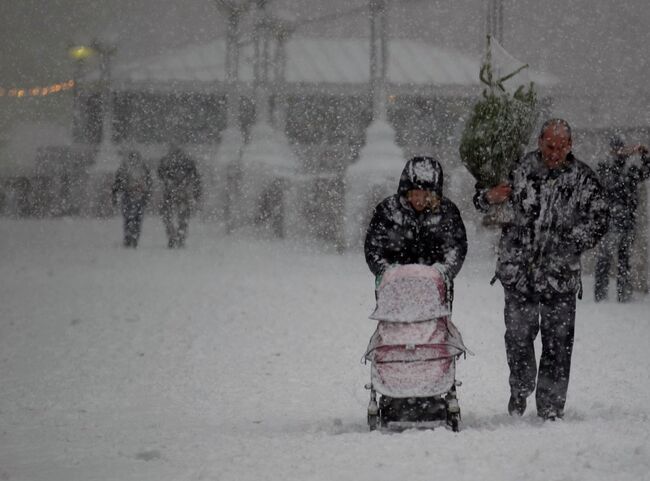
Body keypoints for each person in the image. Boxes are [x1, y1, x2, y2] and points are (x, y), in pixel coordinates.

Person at [473, 119, 608, 420]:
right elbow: (482, 200)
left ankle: (550, 407)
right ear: (539, 142)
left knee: (558, 344)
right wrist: (488, 197)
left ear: (570, 146)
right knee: (518, 339)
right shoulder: (517, 170)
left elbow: (600, 219)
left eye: (561, 147)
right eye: (549, 145)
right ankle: (520, 388)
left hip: (559, 278)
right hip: (518, 275)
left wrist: (570, 244)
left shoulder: (583, 179)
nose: (554, 152)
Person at [364, 156, 468, 302]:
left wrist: (444, 271)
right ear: (406, 192)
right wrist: (386, 271)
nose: (420, 200)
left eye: (427, 195)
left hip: (434, 291)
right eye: (416, 194)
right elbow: (373, 247)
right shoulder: (387, 211)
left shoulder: (447, 213)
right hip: (393, 289)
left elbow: (456, 248)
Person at [594, 135, 650, 302]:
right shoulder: (605, 169)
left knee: (623, 261)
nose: (619, 153)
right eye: (616, 149)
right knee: (605, 259)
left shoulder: (630, 171)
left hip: (626, 222)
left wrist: (644, 155)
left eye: (621, 149)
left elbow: (646, 171)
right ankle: (601, 296)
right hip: (610, 222)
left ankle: (622, 295)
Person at [157, 143, 202, 248]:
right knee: (183, 216)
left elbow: (160, 174)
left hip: (171, 192)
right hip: (182, 193)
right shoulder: (188, 162)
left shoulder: (166, 161)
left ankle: (173, 236)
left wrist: (169, 182)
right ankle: (180, 236)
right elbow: (196, 178)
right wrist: (196, 192)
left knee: (169, 216)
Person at [111, 150, 153, 248]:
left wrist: (115, 194)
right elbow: (149, 183)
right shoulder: (142, 168)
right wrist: (147, 194)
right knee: (136, 219)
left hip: (130, 195)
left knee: (129, 218)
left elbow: (117, 183)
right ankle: (133, 237)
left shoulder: (125, 168)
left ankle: (129, 237)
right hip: (136, 196)